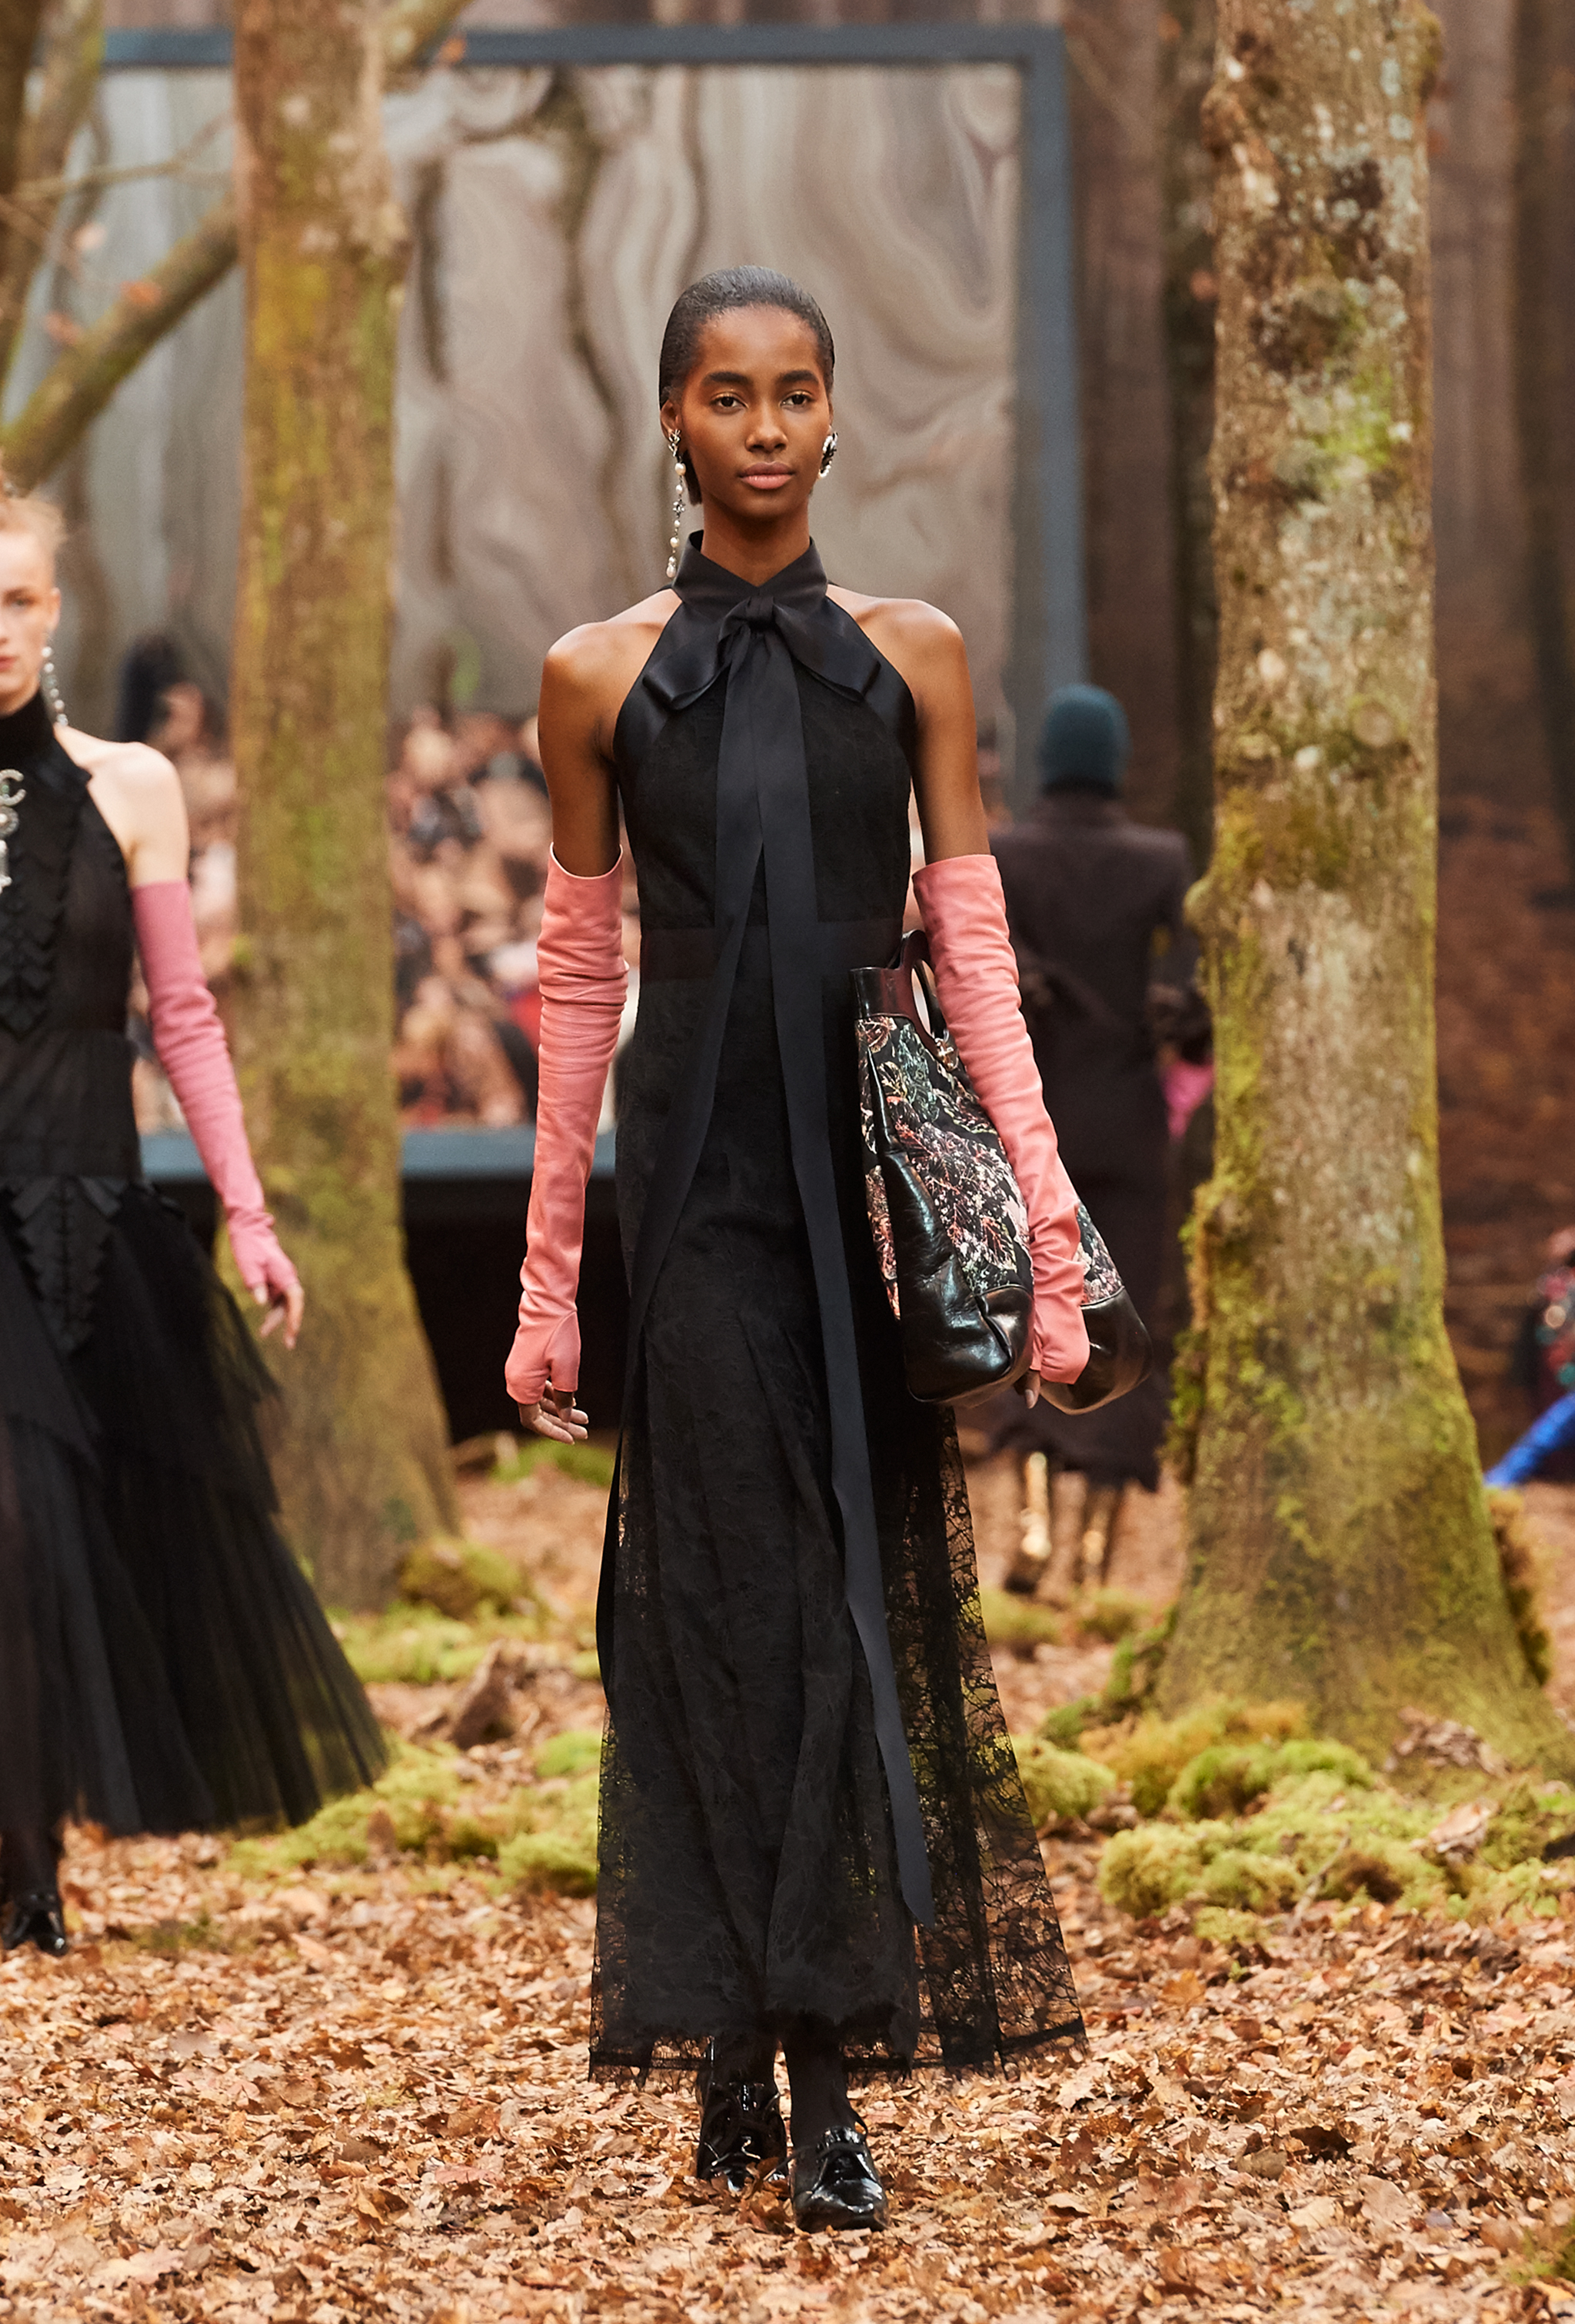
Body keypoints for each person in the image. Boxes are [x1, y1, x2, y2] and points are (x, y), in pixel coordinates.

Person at [505, 268, 1087, 2233]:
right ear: (673, 421)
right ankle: (751, 2040)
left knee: (844, 1609)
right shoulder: (592, 675)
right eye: (726, 394)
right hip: (690, 1188)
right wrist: (548, 1280)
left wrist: (1045, 1227)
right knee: (714, 1608)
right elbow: (574, 984)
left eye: (794, 392)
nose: (762, 425)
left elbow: (976, 956)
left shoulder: (914, 656)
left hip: (863, 1195)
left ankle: (818, 2061)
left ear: (834, 418)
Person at [0, 486, 385, 1957]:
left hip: (90, 1212)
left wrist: (251, 1214)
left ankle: (30, 1848)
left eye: (19, 598)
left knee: (62, 1531)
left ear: (55, 609)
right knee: (13, 1518)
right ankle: (24, 1863)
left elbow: (185, 1016)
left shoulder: (135, 788)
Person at [987, 686, 1202, 1594]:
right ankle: (1093, 1547)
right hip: (1128, 1123)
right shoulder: (1162, 858)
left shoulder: (1005, 854)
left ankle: (1032, 1521)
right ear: (1112, 760)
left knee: (1029, 1305)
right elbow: (1190, 1003)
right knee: (1125, 1319)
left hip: (1031, 1123)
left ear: (1047, 760)